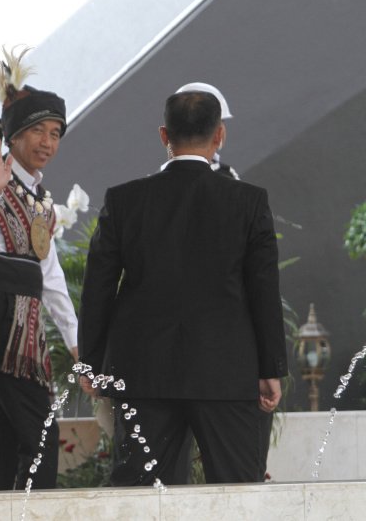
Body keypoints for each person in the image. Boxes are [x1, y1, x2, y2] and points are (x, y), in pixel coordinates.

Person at [78, 91, 287, 486]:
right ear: (219, 135)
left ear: (164, 135)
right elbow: (263, 289)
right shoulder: (249, 201)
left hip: (143, 374)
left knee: (143, 500)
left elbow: (98, 287)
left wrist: (90, 362)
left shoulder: (124, 201)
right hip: (226, 373)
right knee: (237, 496)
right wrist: (270, 368)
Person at [0, 47, 79, 491]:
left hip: (19, 313)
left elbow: (49, 270)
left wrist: (74, 335)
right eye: (38, 130)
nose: (48, 142)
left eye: (56, 133)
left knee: (2, 436)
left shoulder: (40, 197)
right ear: (15, 135)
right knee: (41, 432)